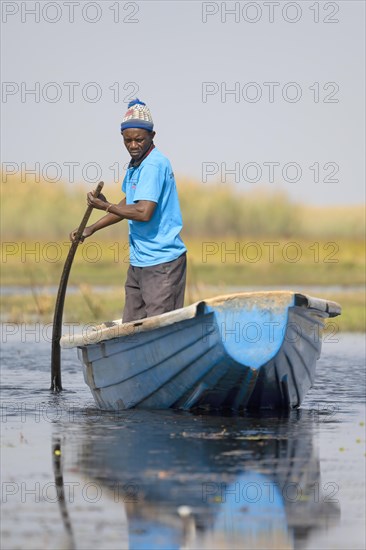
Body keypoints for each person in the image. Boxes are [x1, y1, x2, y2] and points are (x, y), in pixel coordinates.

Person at [70, 99, 187, 323]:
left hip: (162, 263)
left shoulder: (153, 165)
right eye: (128, 140)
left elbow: (143, 212)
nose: (133, 145)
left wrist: (105, 205)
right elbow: (129, 204)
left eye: (139, 140)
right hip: (140, 261)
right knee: (132, 327)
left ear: (152, 136)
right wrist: (91, 228)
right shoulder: (136, 164)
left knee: (158, 329)